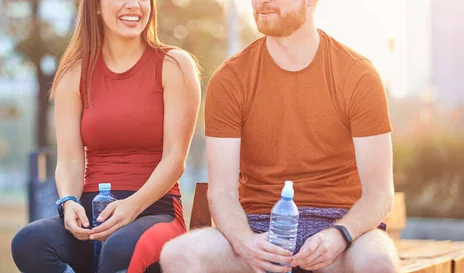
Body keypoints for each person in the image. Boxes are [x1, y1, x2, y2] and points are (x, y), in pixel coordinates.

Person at [160, 0, 399, 272]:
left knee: (379, 260)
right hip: (259, 229)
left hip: (340, 232)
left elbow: (379, 193)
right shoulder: (229, 79)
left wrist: (339, 235)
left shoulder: (358, 74)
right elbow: (222, 192)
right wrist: (246, 243)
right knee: (178, 255)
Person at [10, 0, 201, 272]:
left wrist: (132, 206)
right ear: (96, 6)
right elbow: (69, 161)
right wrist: (68, 201)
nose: (133, 5)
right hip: (93, 215)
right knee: (29, 242)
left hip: (155, 212)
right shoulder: (73, 74)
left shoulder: (174, 64)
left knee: (118, 248)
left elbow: (175, 158)